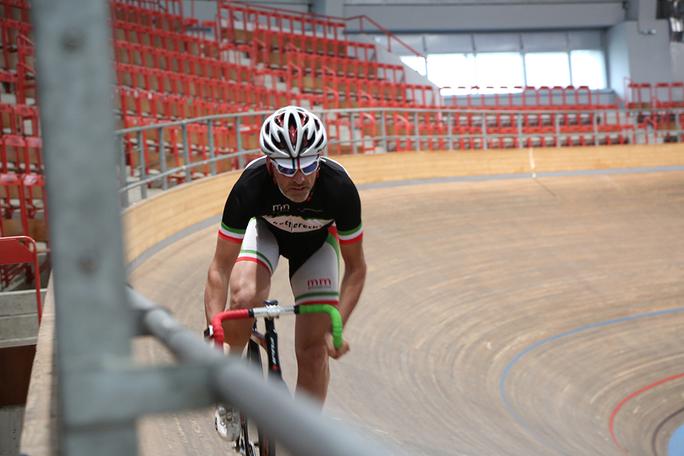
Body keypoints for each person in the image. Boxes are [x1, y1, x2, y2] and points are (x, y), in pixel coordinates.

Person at [203, 105, 367, 441]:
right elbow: (220, 268)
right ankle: (229, 388)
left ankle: (300, 437)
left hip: (316, 248)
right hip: (267, 236)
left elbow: (356, 269)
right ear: (269, 165)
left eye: (308, 165)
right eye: (286, 168)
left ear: (319, 160)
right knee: (244, 297)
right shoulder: (250, 186)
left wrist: (338, 326)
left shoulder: (340, 188)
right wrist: (213, 328)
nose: (299, 178)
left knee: (314, 352)